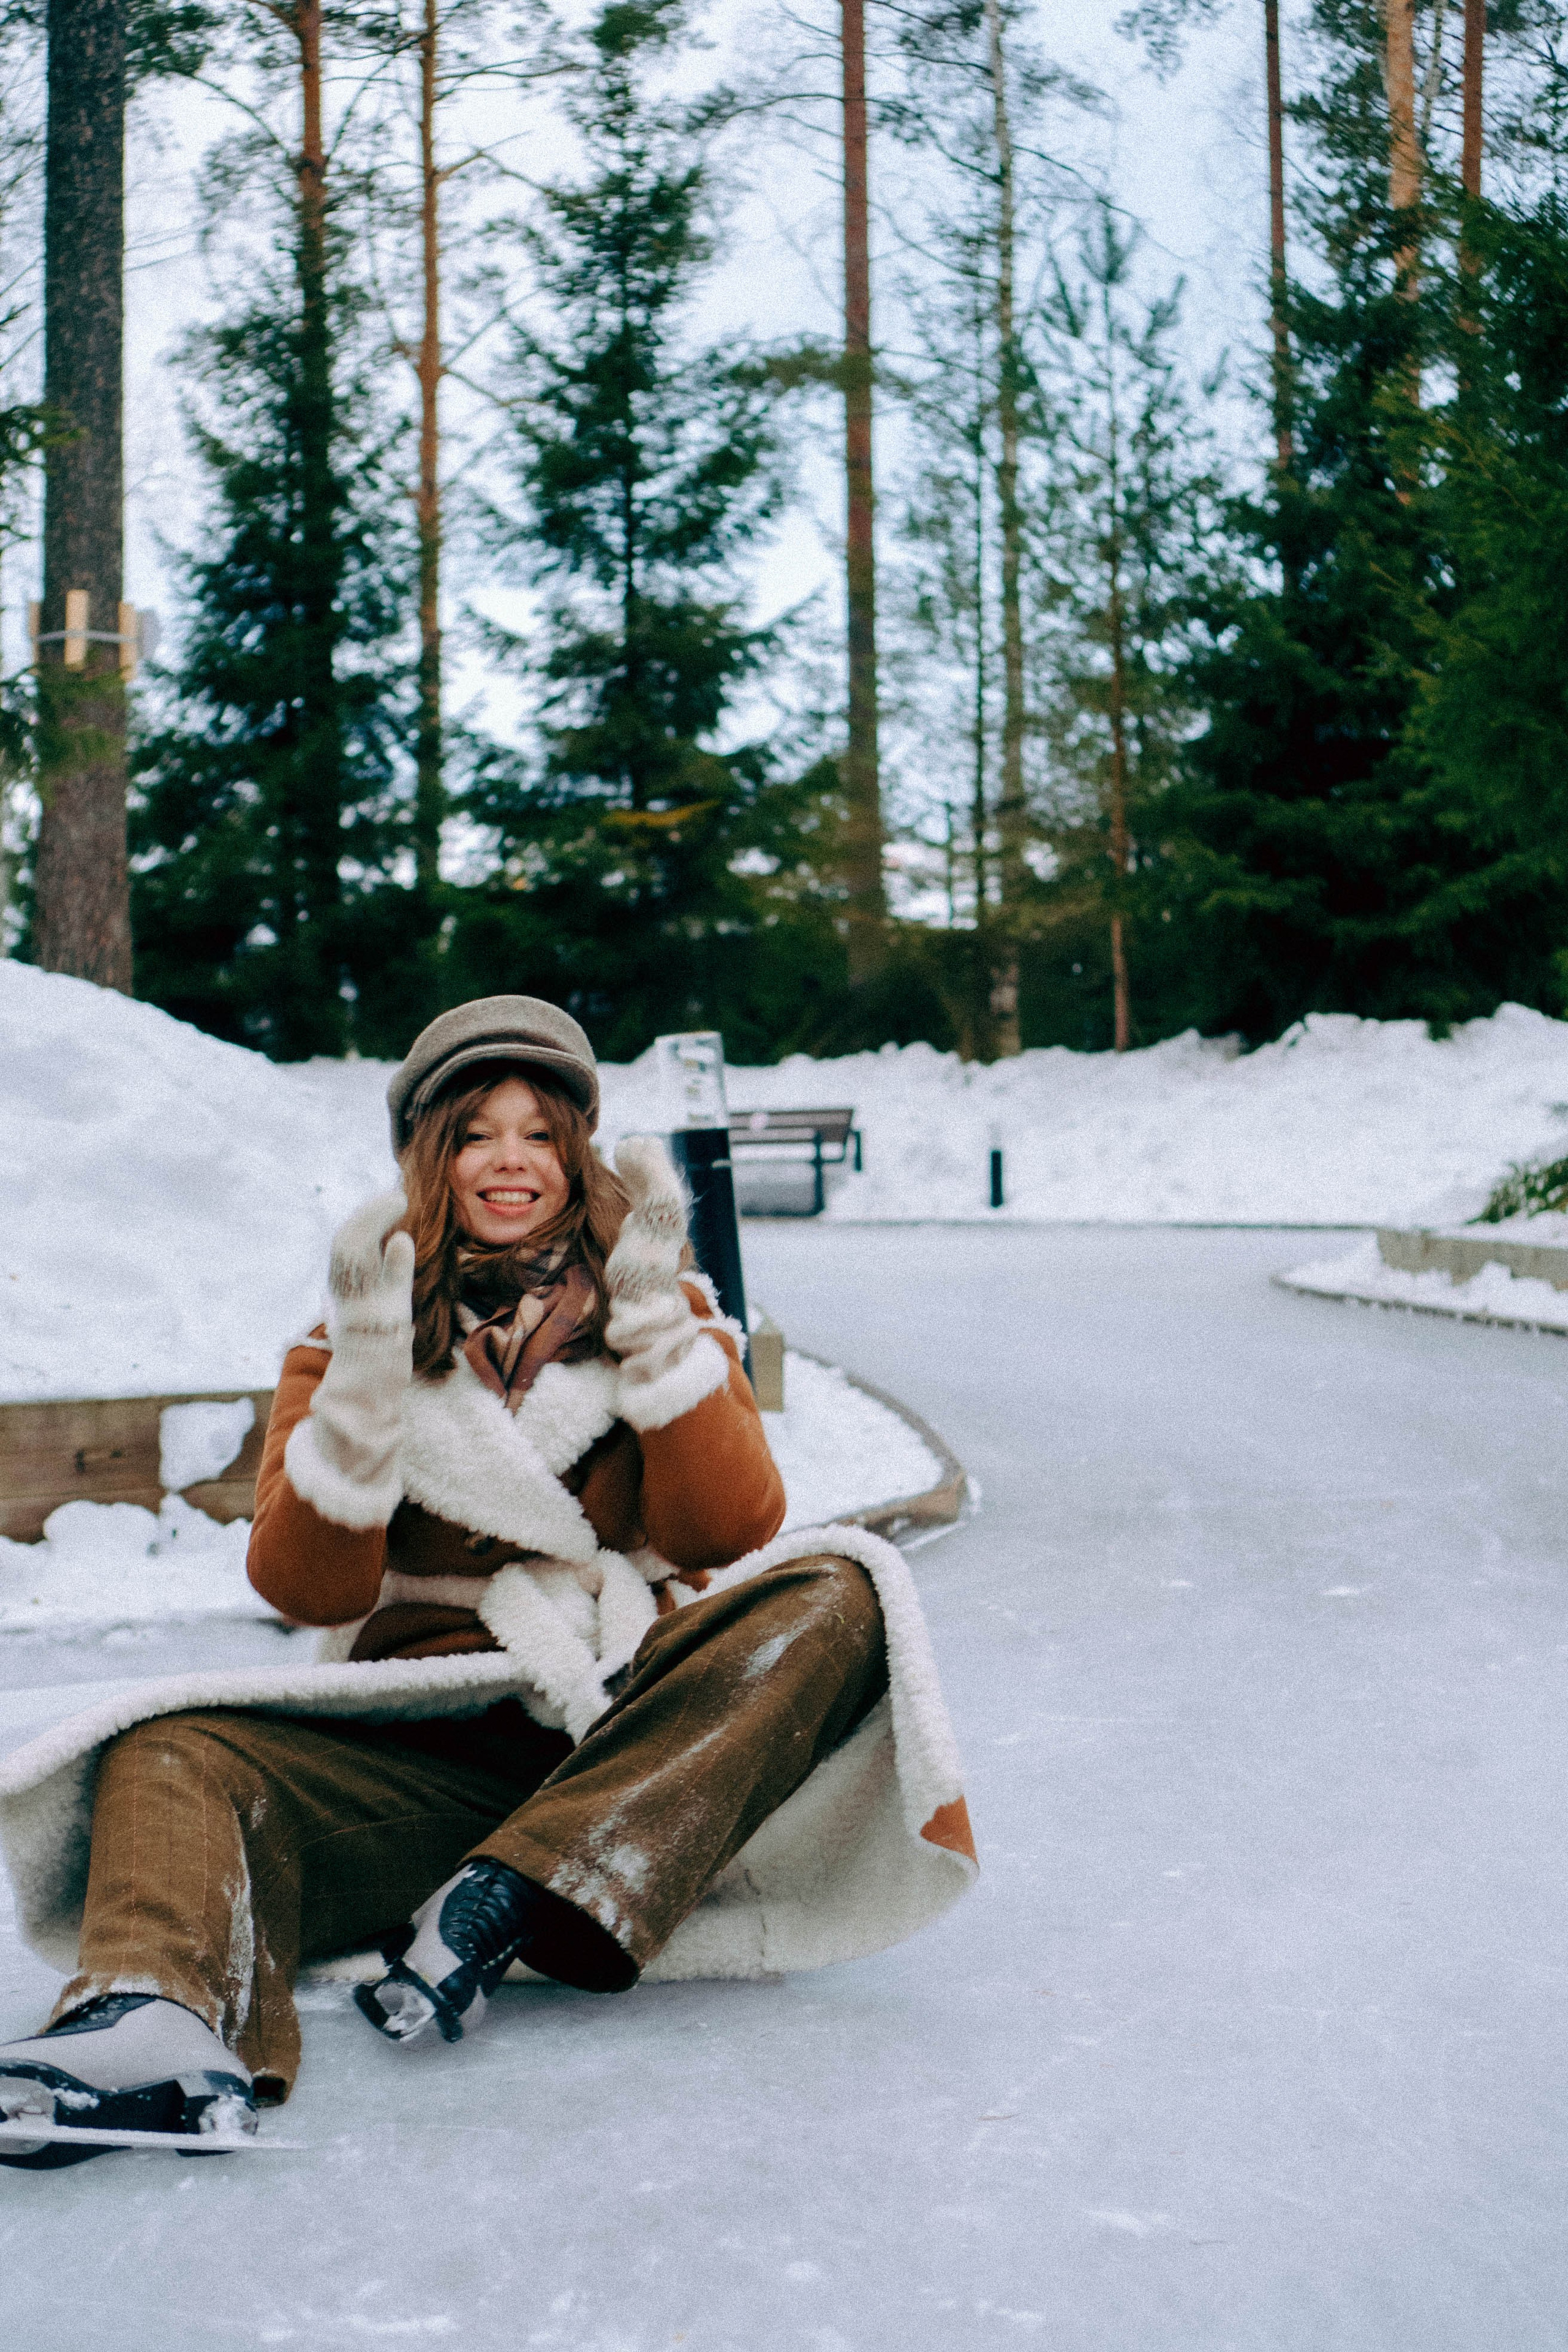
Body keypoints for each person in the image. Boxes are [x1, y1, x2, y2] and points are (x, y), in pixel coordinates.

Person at [0, 997, 975, 2170]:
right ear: (432, 1155)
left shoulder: (663, 1306)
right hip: (426, 1746)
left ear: (578, 1154)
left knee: (843, 1586)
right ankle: (147, 2018)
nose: (510, 1161)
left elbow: (730, 1527)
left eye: (540, 1133)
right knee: (170, 1747)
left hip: (628, 1746)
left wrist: (661, 1329)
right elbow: (303, 1589)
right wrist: (365, 1387)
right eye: (475, 1133)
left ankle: (508, 1899)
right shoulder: (349, 1333)